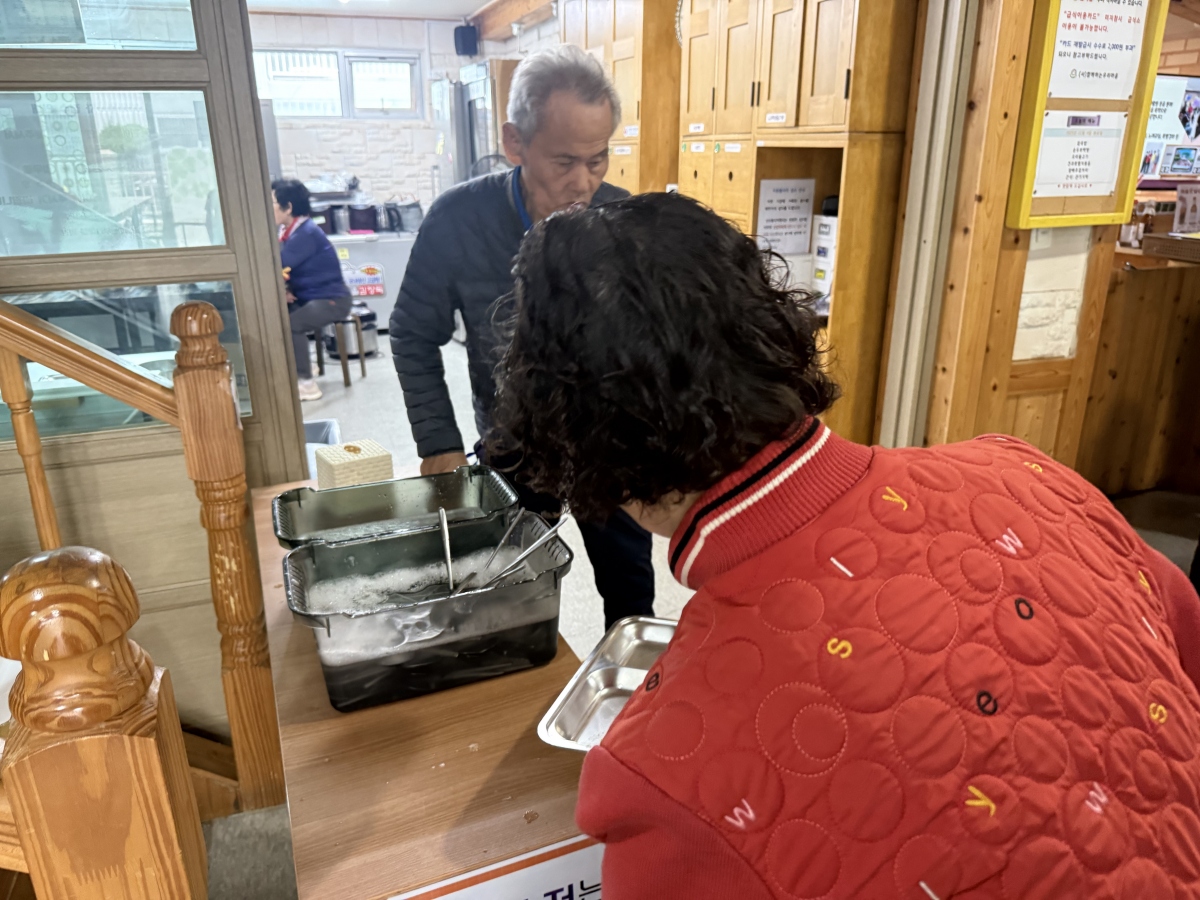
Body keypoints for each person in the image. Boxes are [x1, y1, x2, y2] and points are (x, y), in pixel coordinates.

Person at [489, 193, 1200, 899]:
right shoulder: (1030, 472)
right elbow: (1181, 638)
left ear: (570, 435)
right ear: (771, 327)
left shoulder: (663, 778)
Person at [390, 45, 655, 629]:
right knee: (505, 593)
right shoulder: (457, 220)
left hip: (610, 446)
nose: (583, 183)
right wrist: (438, 441)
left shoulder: (624, 222)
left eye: (598, 160)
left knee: (630, 595)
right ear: (515, 143)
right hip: (513, 442)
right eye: (564, 162)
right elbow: (412, 333)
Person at [272, 178, 352, 401]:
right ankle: (305, 364)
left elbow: (277, 264)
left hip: (332, 300)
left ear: (288, 207)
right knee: (278, 316)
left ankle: (307, 383)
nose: (269, 208)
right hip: (310, 296)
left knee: (291, 326)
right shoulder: (290, 230)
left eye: (273, 203)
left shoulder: (305, 233)